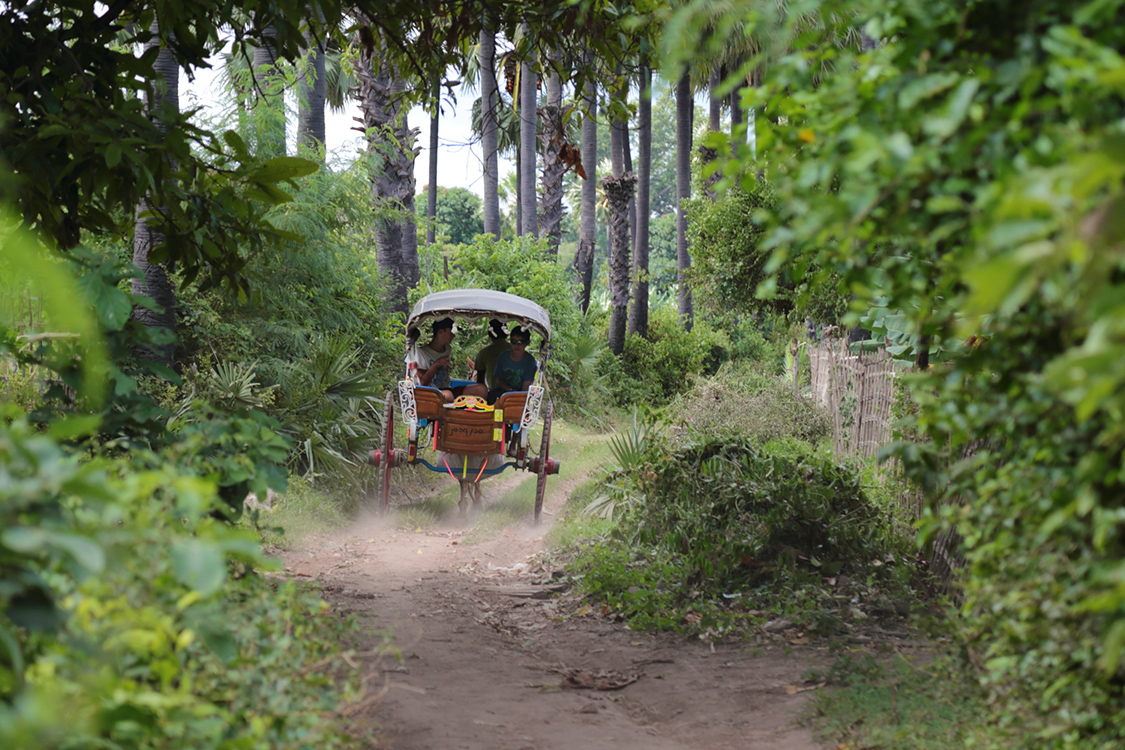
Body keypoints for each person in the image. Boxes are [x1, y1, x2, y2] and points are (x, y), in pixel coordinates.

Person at [408, 318, 487, 402]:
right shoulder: (422, 353)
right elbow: (423, 383)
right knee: (448, 395)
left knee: (482, 389)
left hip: (447, 389)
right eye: (450, 332)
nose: (453, 335)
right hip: (431, 393)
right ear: (441, 332)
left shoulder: (447, 349)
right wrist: (436, 364)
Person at [487, 326, 537, 403]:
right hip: (503, 393)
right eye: (514, 342)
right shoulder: (503, 357)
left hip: (521, 395)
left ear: (527, 343)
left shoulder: (530, 362)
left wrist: (516, 396)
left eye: (520, 342)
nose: (516, 346)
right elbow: (499, 380)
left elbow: (526, 387)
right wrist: (510, 390)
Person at [473, 319, 511, 390]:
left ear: (489, 334)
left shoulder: (483, 353)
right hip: (515, 392)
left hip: (493, 393)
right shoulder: (515, 350)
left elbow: (480, 381)